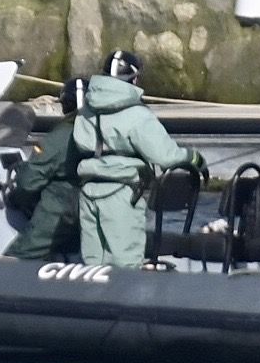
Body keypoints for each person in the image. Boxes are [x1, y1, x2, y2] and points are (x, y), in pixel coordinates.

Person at [72, 50, 206, 267]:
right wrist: (194, 158)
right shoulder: (138, 115)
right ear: (134, 79)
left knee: (93, 268)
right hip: (122, 194)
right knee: (125, 266)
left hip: (88, 193)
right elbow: (165, 156)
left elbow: (79, 144)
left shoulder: (86, 111)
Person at [4, 78, 84, 262]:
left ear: (65, 104)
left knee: (20, 256)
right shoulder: (102, 131)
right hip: (92, 206)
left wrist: (16, 199)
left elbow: (28, 182)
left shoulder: (60, 137)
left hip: (61, 208)